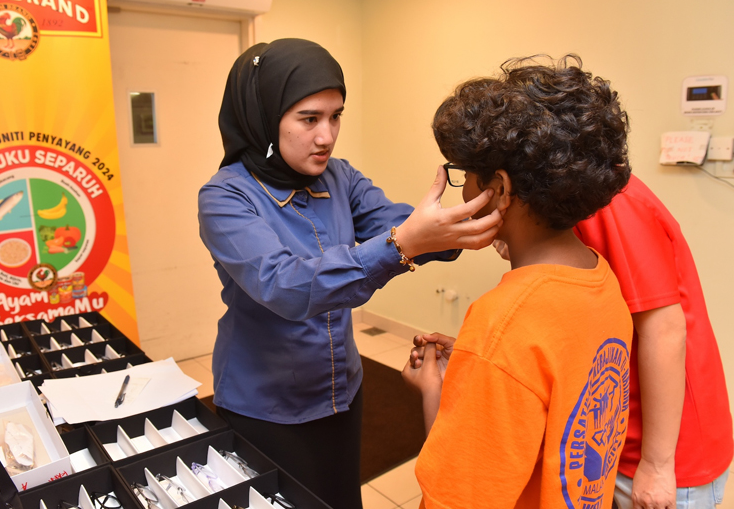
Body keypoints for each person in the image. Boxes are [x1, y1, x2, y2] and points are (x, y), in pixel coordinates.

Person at [197, 38, 503, 509]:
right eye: (309, 118)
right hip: (266, 403)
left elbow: (394, 224)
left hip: (341, 388)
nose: (326, 136)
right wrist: (405, 243)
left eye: (336, 116)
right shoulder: (225, 197)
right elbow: (286, 286)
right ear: (263, 117)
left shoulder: (338, 176)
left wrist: (480, 214)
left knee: (342, 500)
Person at [402, 55, 634, 508]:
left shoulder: (502, 323)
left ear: (502, 190)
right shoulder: (600, 280)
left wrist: (437, 390)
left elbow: (461, 497)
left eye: (466, 176)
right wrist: (480, 367)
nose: (464, 190)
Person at [572, 175, 733, 509]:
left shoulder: (614, 202)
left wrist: (657, 466)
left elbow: (664, 332)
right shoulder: (576, 200)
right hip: (611, 433)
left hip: (660, 449)